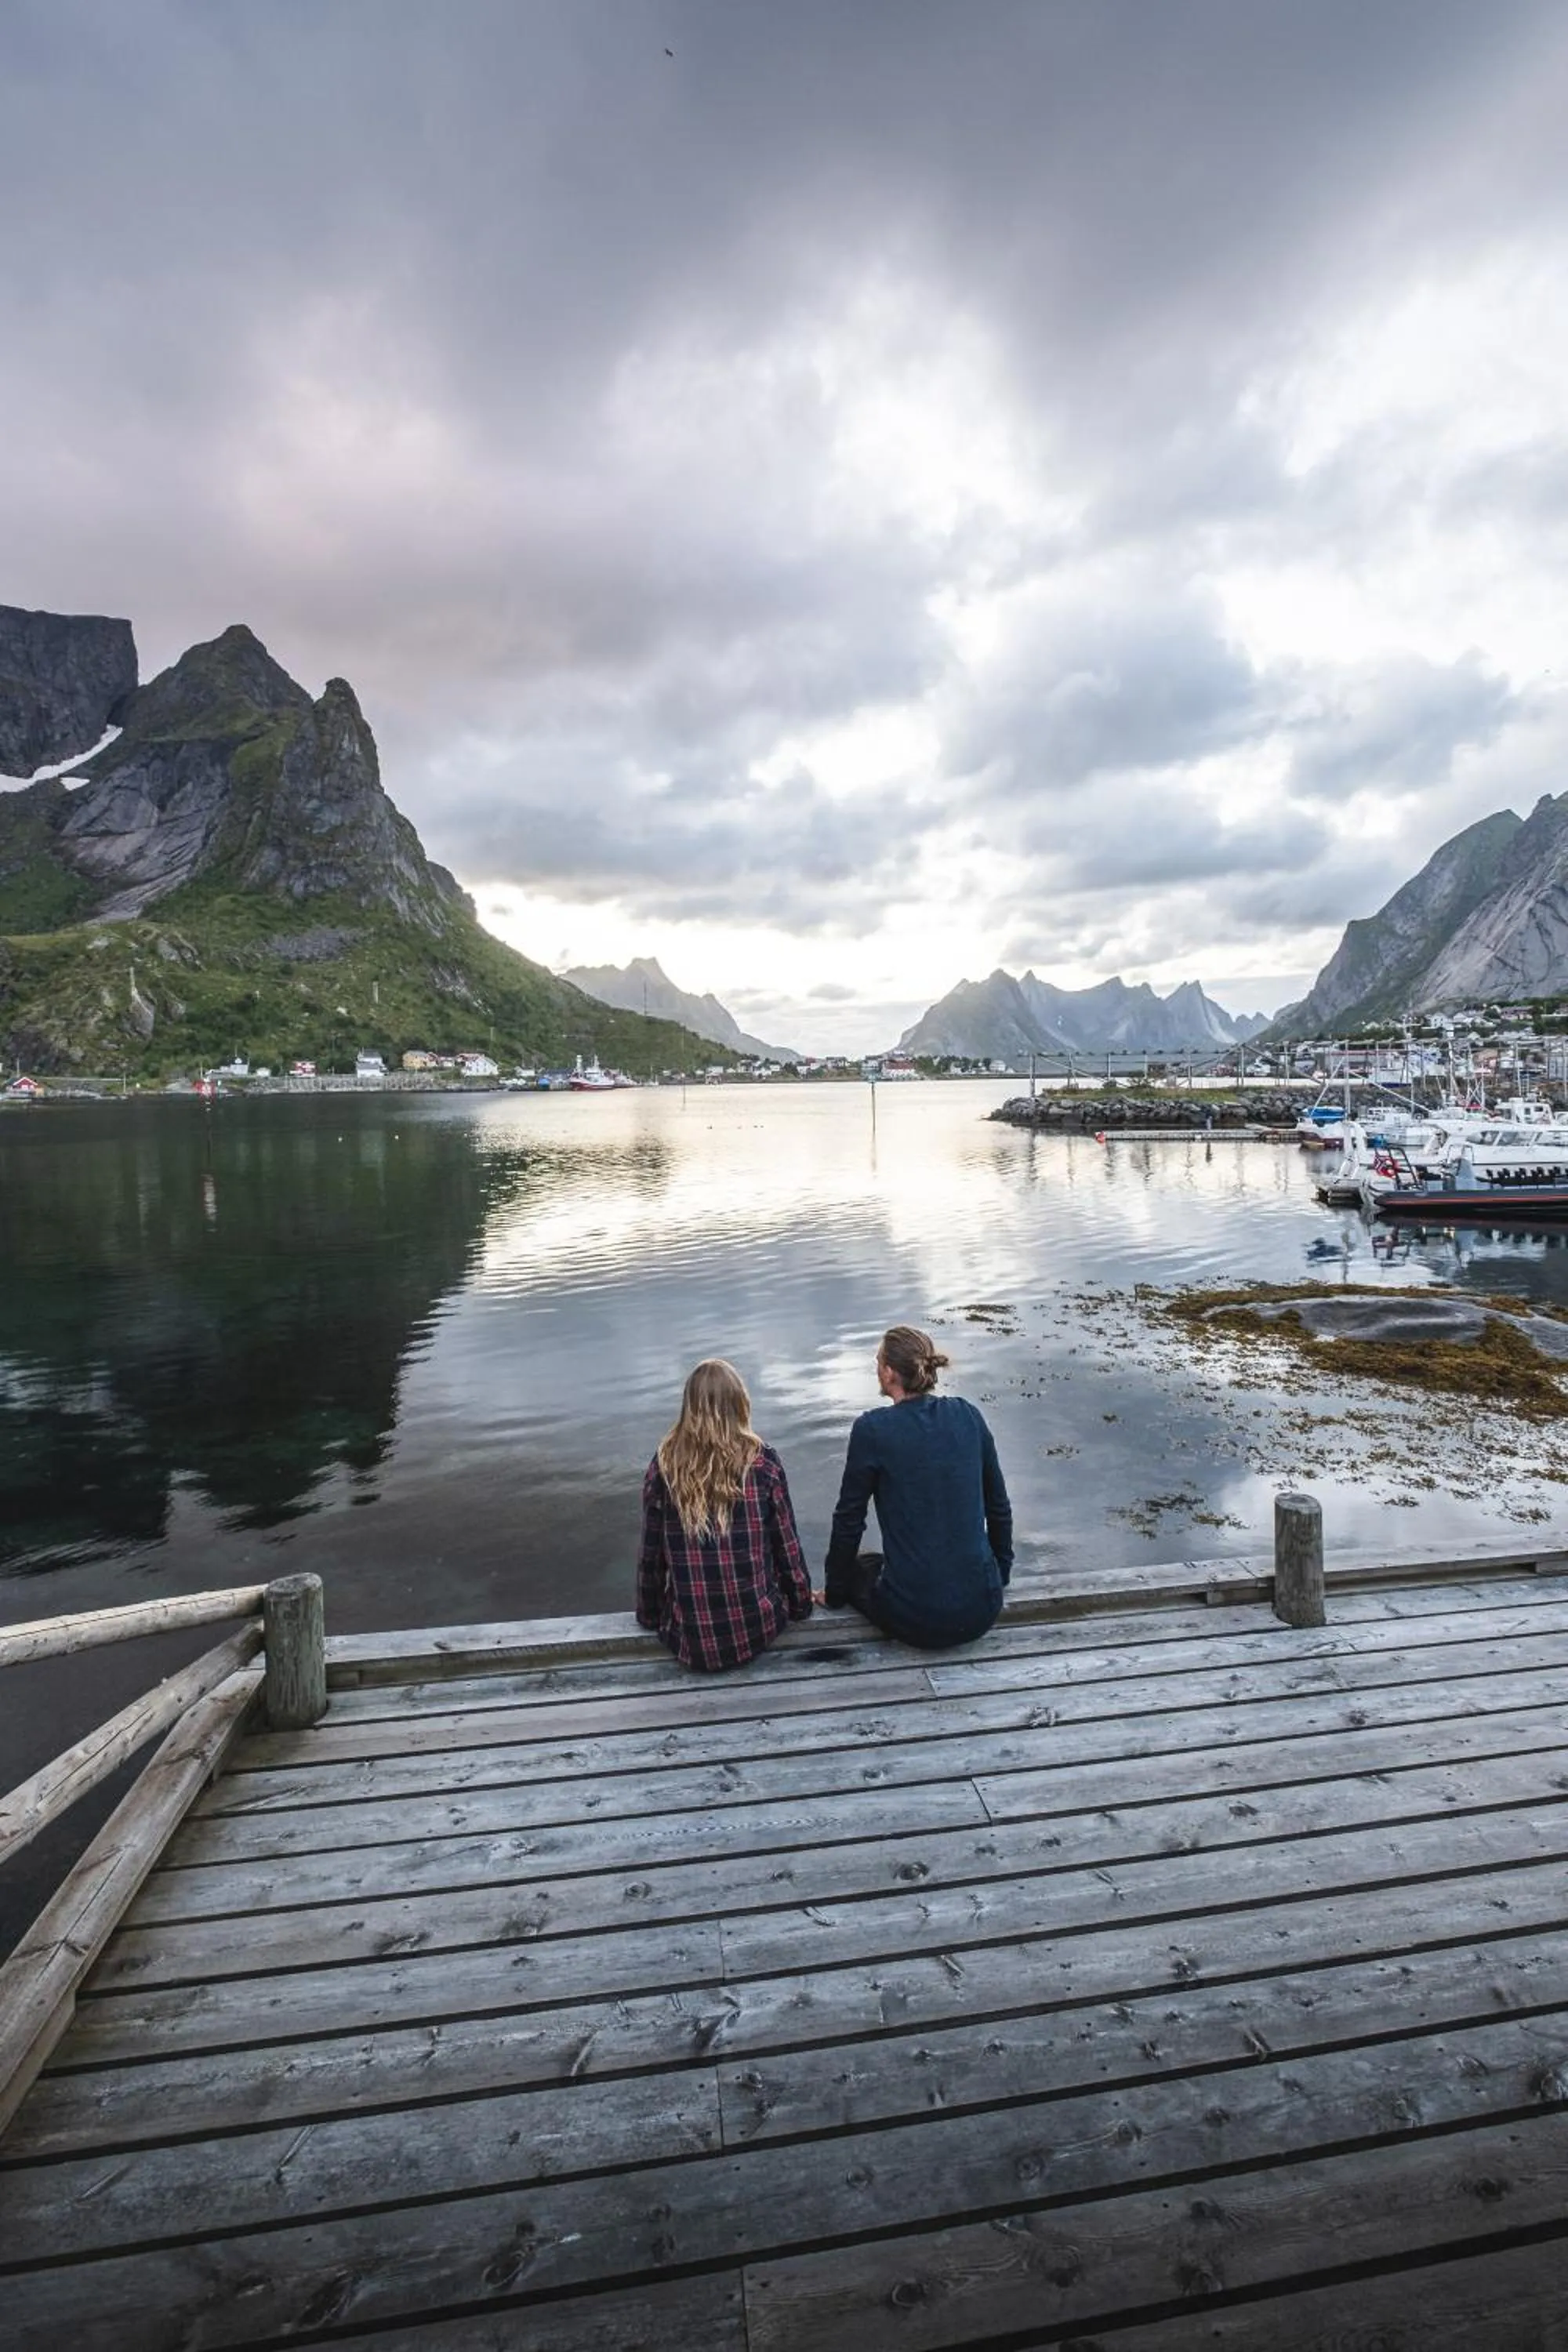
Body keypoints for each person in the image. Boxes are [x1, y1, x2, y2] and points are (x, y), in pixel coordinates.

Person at [822, 1323, 1012, 1648]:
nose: (877, 1368)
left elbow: (849, 1520)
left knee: (862, 1566)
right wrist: (1000, 1575)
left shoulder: (872, 1430)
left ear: (889, 1373)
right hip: (984, 1609)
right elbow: (998, 1507)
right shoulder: (968, 1415)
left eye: (879, 1362)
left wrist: (835, 1594)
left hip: (913, 1620)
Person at [637, 1357, 812, 1670]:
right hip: (756, 1628)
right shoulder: (763, 1462)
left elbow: (651, 1556)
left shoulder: (665, 1465)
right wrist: (801, 1605)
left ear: (688, 1407)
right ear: (739, 1402)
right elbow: (787, 1546)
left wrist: (649, 1616)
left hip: (689, 1638)